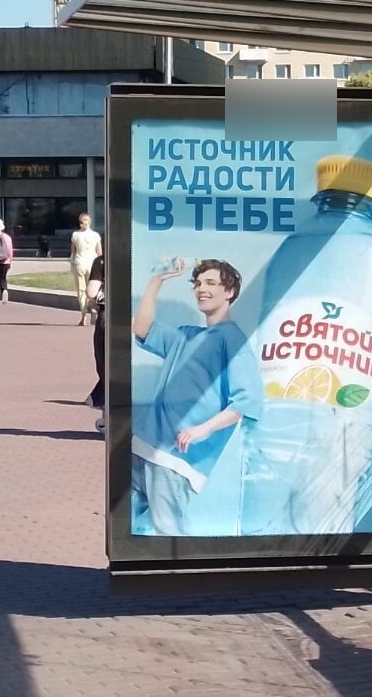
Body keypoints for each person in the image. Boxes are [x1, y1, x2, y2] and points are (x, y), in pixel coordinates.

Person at [129, 255, 263, 535]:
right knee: (135, 531)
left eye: (211, 283)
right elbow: (141, 329)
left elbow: (246, 400)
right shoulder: (186, 335)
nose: (202, 289)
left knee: (168, 533)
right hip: (143, 445)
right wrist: (156, 281)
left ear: (230, 291)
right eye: (199, 283)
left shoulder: (233, 339)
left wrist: (201, 430)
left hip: (175, 458)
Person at [67, 211, 103, 327]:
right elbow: (99, 253)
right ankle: (93, 307)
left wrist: (71, 263)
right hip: (92, 264)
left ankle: (83, 316)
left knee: (81, 291)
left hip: (79, 263)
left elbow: (73, 252)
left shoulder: (75, 235)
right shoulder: (95, 235)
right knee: (93, 289)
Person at [85, 252, 108, 408]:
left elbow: (91, 291)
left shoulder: (101, 261)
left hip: (108, 315)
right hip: (135, 315)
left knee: (104, 361)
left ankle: (102, 401)